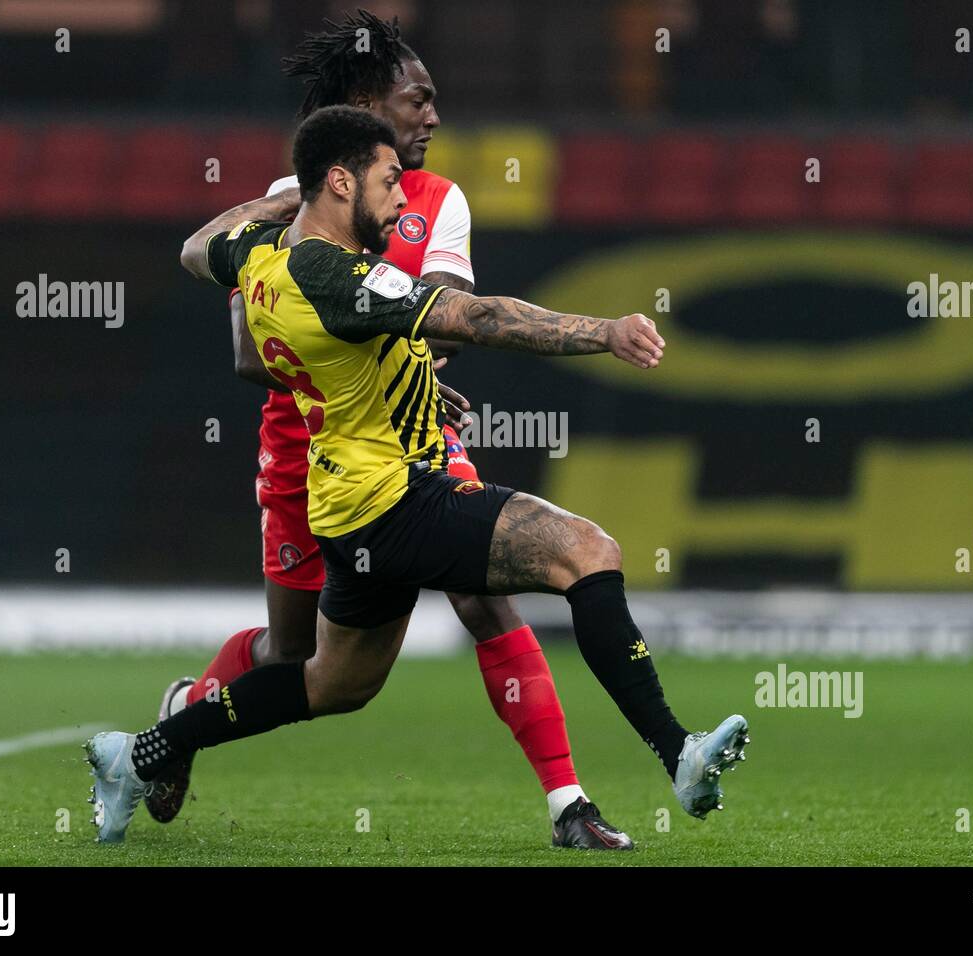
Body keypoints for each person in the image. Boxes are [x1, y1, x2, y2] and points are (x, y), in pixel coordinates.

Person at [85, 104, 749, 846]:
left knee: (329, 684)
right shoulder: (338, 277)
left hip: (342, 506)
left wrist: (284, 201)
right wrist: (606, 332)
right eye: (389, 181)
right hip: (396, 498)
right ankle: (677, 751)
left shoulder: (261, 256)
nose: (404, 200)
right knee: (587, 551)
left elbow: (194, 247)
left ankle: (141, 753)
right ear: (341, 183)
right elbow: (478, 317)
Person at [146, 11, 628, 849]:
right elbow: (249, 356)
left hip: (410, 430)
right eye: (419, 99)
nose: (434, 116)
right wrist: (358, 342)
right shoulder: (294, 201)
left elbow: (446, 316)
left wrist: (402, 358)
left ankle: (568, 802)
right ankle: (184, 717)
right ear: (369, 105)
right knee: (297, 656)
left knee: (485, 597)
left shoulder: (438, 199)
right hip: (302, 442)